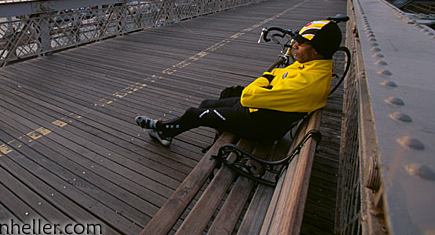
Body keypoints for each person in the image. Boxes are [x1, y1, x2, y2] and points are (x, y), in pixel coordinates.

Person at [136, 20, 342, 147]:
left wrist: (265, 79)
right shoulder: (315, 65)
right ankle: (169, 133)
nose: (294, 46)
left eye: (300, 43)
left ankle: (161, 129)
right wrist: (270, 79)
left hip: (261, 125)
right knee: (209, 102)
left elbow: (252, 94)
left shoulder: (308, 82)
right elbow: (277, 75)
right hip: (262, 112)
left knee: (197, 112)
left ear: (316, 50)